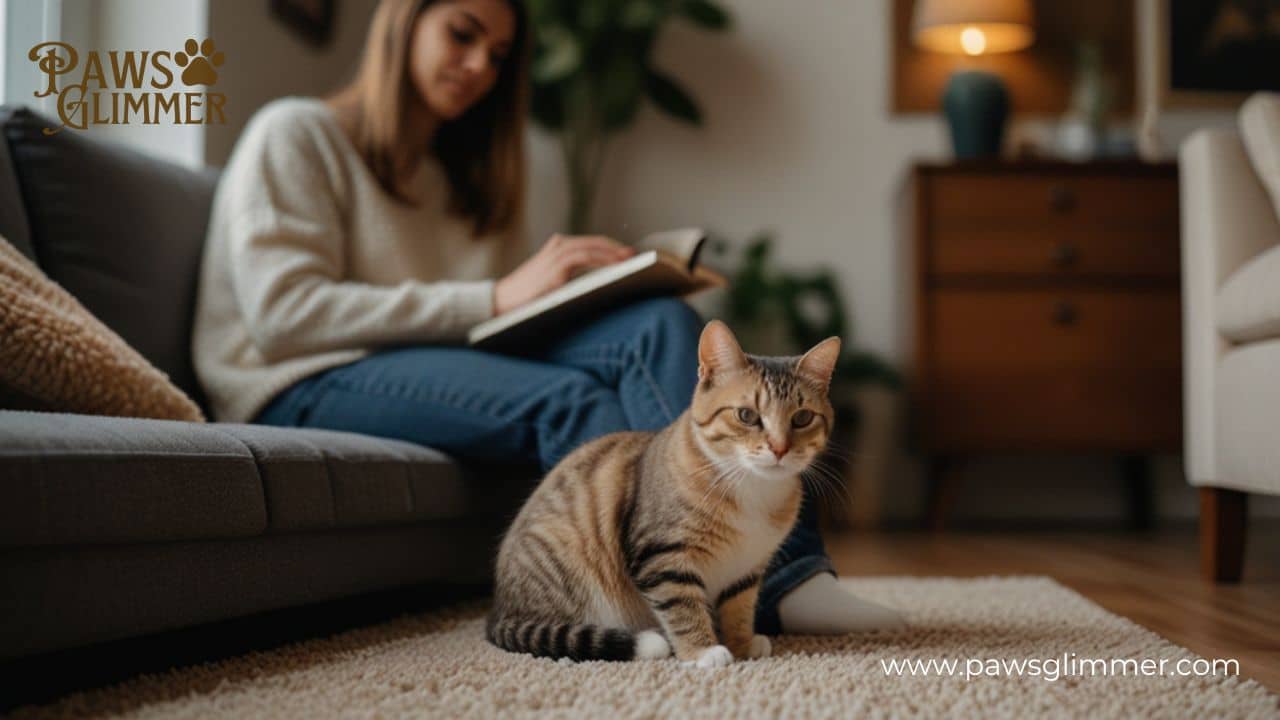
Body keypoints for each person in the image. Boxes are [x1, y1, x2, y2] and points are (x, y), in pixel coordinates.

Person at [192, 0, 903, 636]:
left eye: (498, 56)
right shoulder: (294, 133)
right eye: (462, 33)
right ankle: (670, 592)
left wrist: (586, 295)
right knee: (568, 401)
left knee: (656, 322)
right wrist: (499, 296)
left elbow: (489, 328)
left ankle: (790, 574)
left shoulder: (457, 180)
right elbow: (282, 315)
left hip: (422, 363)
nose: (478, 66)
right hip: (303, 378)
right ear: (404, 17)